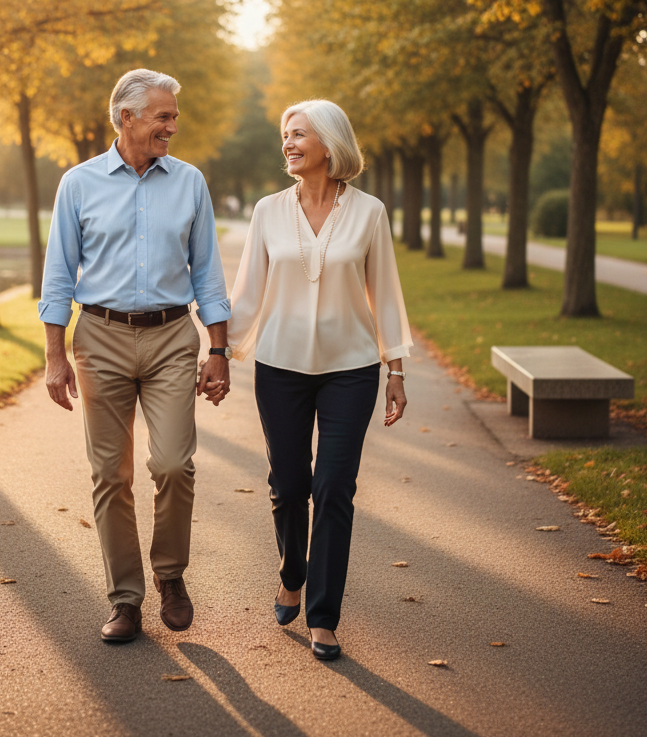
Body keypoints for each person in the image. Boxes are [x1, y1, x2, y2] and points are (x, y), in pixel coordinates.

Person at [39, 68, 232, 644]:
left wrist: (219, 349)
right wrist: (55, 355)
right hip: (100, 337)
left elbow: (208, 273)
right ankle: (125, 599)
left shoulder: (189, 181)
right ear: (127, 118)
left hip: (173, 336)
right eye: (163, 116)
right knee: (110, 475)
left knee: (173, 463)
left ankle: (170, 575)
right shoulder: (78, 183)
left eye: (173, 116)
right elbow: (57, 276)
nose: (173, 126)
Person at [227, 99, 412, 662]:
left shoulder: (370, 212)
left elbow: (385, 292)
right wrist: (215, 350)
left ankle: (324, 616)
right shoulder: (267, 211)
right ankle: (291, 572)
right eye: (285, 134)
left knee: (334, 488)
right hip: (279, 368)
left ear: (329, 144)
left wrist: (395, 368)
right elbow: (248, 293)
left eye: (298, 133)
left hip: (350, 372)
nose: (287, 142)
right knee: (288, 484)